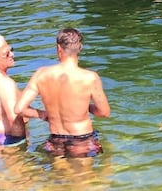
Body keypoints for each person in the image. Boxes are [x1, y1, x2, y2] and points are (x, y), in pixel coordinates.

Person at [14, 28, 111, 158]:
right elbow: (104, 112)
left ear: (58, 48)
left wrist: (42, 114)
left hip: (55, 140)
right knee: (85, 178)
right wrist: (86, 106)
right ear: (79, 48)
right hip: (82, 140)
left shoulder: (40, 74)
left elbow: (19, 109)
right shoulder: (90, 77)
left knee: (59, 176)